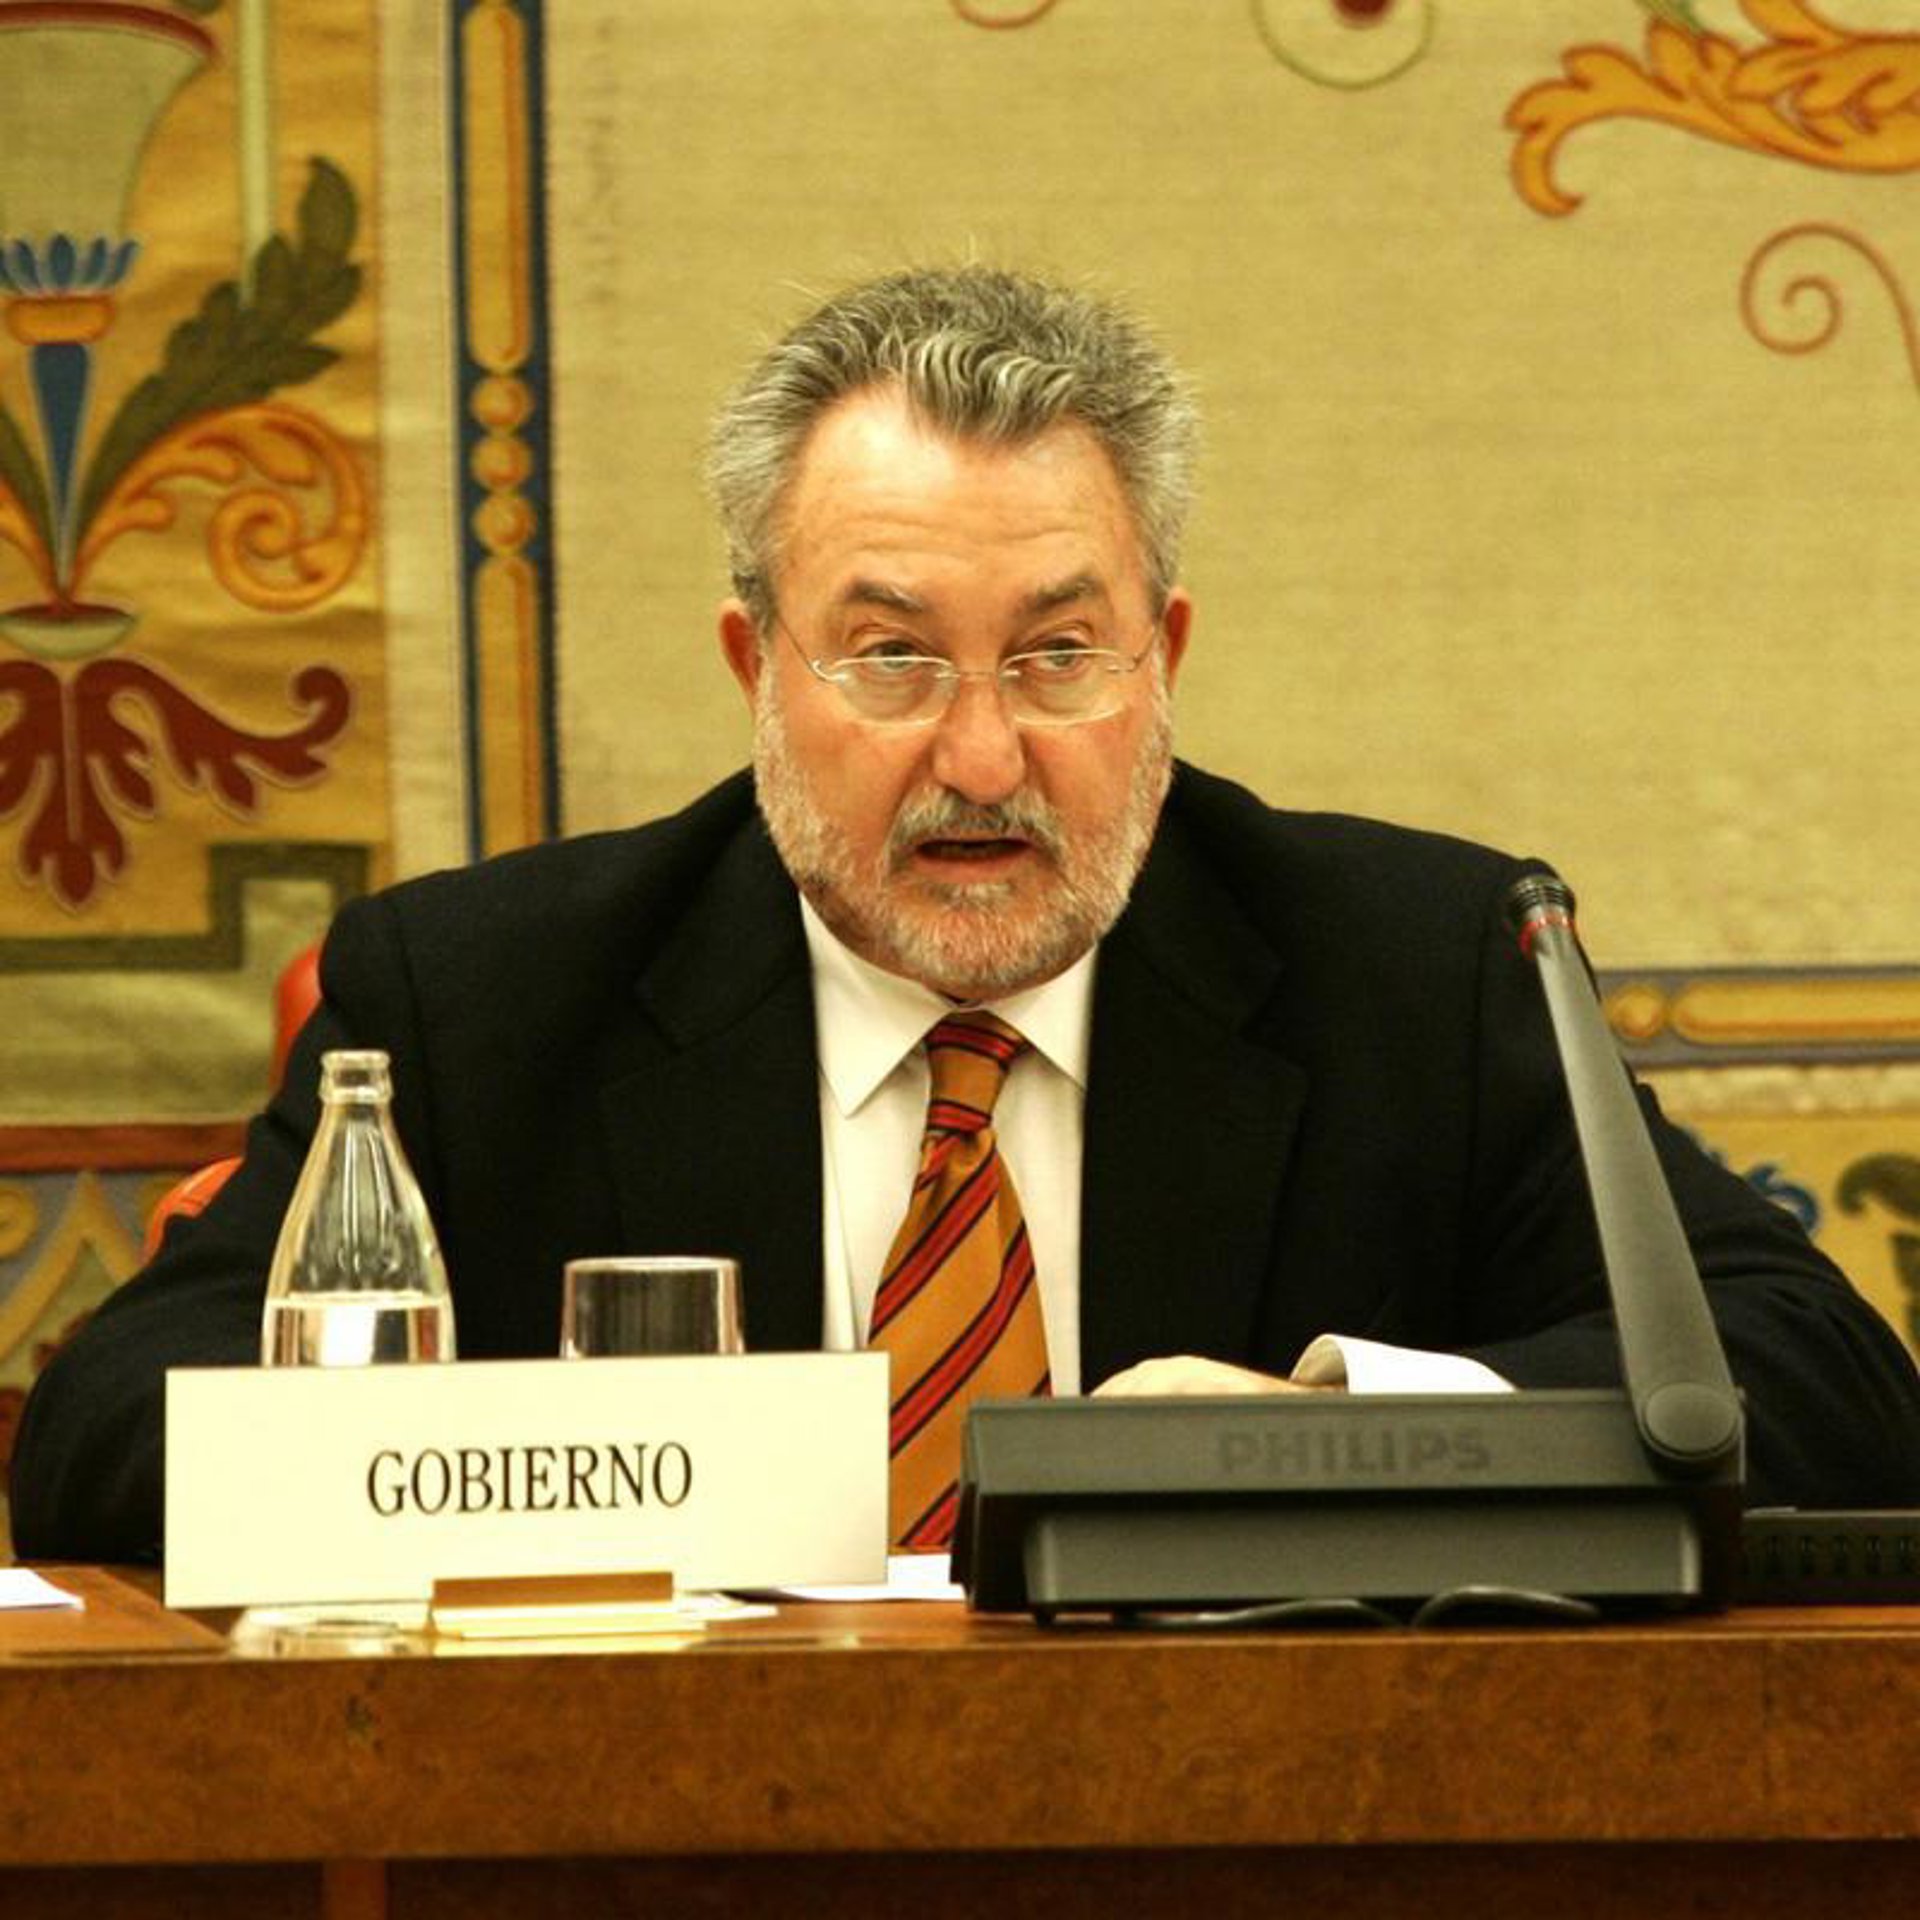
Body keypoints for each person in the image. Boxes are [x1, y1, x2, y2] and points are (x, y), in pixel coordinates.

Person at [12, 266, 1920, 1564]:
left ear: (1165, 660)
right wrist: (589, 1480)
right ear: (757, 669)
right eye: (894, 657)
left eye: (1062, 656)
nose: (986, 757)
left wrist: (1327, 1423)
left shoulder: (1423, 969)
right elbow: (106, 1439)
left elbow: (1821, 1387)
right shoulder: (482, 997)